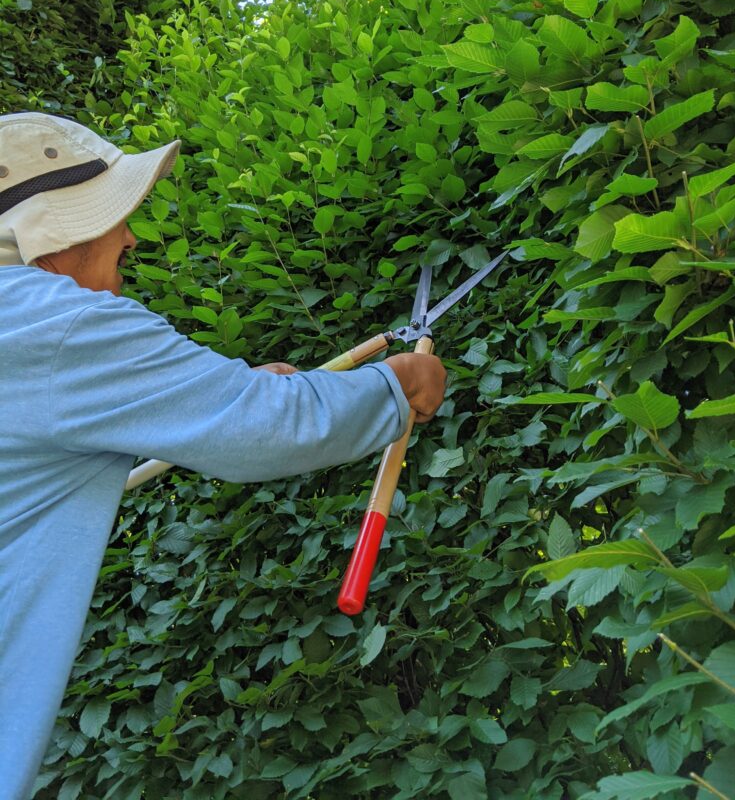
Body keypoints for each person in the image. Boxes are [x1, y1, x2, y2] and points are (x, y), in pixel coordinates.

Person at [0, 111, 446, 799]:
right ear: (52, 236)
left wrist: (239, 394)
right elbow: (264, 430)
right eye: (111, 215)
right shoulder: (58, 322)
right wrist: (396, 386)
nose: (131, 234)